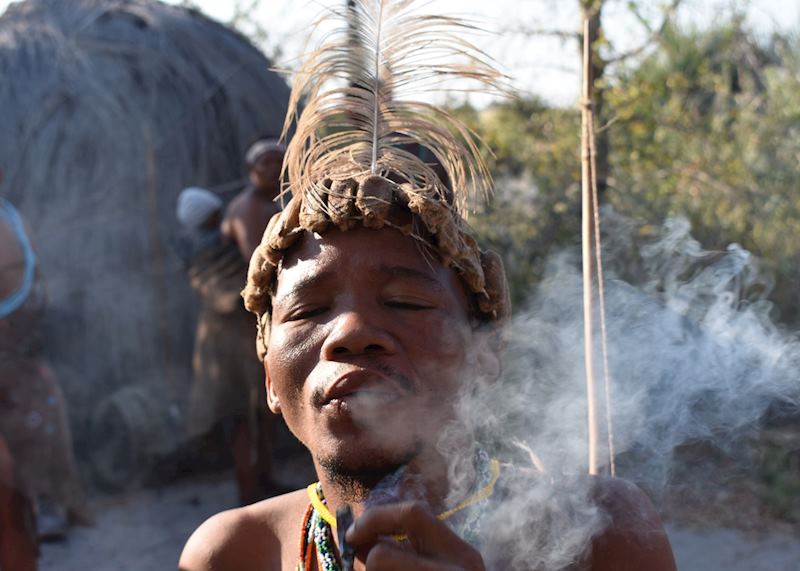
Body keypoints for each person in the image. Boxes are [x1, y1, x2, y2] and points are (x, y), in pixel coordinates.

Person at [180, 4, 676, 569]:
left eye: (405, 302)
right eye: (309, 310)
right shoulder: (232, 553)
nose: (351, 332)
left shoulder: (601, 532)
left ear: (486, 354)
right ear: (270, 377)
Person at [176, 187, 282, 505]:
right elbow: (228, 295)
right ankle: (248, 494)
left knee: (258, 416)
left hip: (239, 342)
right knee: (240, 420)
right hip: (226, 349)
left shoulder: (220, 245)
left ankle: (262, 480)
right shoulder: (207, 254)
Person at [0, 193, 89, 547]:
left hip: (21, 339)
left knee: (41, 424)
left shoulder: (10, 215)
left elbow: (30, 266)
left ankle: (48, 506)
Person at [221, 140, 285, 261]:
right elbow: (259, 262)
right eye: (266, 162)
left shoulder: (268, 200)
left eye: (280, 161)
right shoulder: (250, 207)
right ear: (252, 168)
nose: (275, 167)